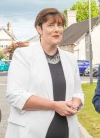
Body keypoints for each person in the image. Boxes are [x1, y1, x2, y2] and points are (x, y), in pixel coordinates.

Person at [5, 8, 84, 138]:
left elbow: (78, 92)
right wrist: (55, 105)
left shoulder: (70, 59)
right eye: (51, 25)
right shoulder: (23, 55)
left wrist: (75, 104)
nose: (56, 29)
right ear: (39, 29)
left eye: (59, 25)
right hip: (31, 132)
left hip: (66, 131)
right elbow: (15, 95)